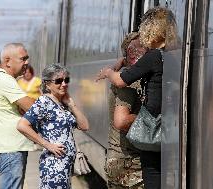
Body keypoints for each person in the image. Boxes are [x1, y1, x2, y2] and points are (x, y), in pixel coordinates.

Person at [96, 7, 178, 189]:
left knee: (151, 172)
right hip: (168, 125)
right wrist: (123, 62)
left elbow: (120, 80)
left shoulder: (154, 56)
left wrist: (109, 71)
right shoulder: (172, 57)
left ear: (151, 30)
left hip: (151, 127)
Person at [17, 63, 89, 189]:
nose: (64, 84)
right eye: (58, 81)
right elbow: (22, 125)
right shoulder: (44, 102)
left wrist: (73, 106)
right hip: (54, 167)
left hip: (65, 167)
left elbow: (85, 126)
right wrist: (47, 144)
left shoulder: (64, 103)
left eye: (66, 80)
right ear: (47, 84)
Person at [0, 43, 36, 189]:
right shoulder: (4, 80)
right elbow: (32, 108)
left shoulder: (3, 79)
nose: (27, 62)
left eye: (27, 58)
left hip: (7, 149)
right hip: (9, 150)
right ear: (7, 61)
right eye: (23, 59)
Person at [105, 32, 147, 189]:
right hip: (130, 163)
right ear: (131, 52)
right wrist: (154, 118)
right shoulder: (129, 81)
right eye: (144, 47)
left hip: (118, 160)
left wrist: (122, 61)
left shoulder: (124, 75)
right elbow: (122, 121)